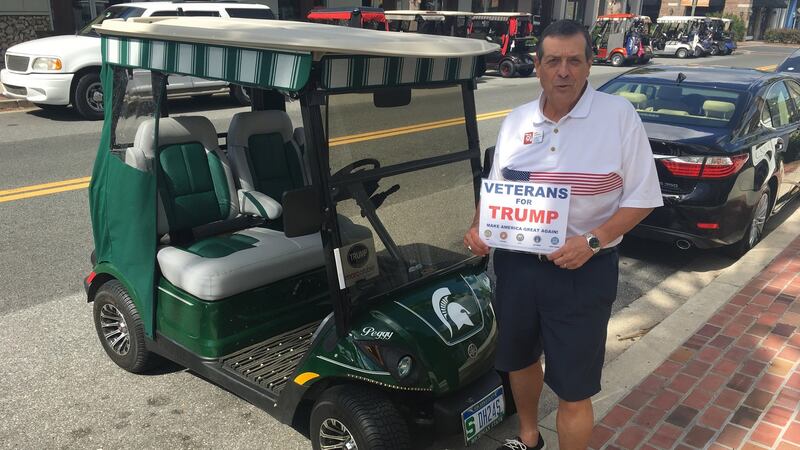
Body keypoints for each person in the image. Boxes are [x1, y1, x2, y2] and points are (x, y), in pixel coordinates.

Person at [463, 19, 663, 450]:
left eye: (574, 61)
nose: (563, 71)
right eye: (553, 61)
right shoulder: (516, 121)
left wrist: (592, 241)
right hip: (517, 267)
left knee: (574, 388)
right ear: (537, 66)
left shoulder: (618, 117)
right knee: (518, 361)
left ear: (590, 65)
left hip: (583, 269)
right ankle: (529, 438)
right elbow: (497, 185)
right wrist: (481, 225)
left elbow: (644, 197)